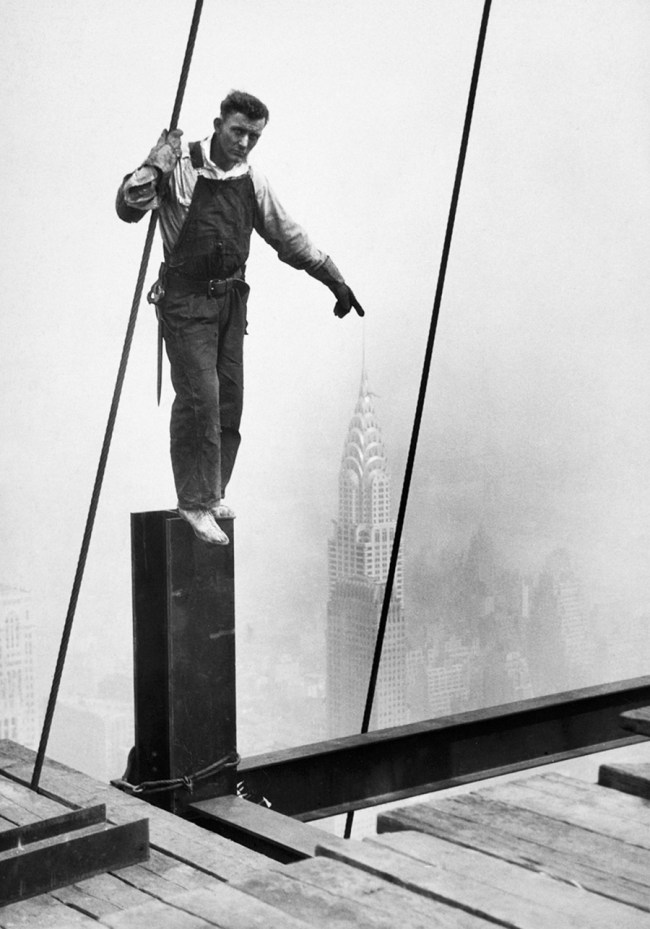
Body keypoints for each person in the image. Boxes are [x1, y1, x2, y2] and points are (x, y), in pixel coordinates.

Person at [116, 90, 364, 545]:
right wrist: (154, 166)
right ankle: (193, 501)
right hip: (186, 303)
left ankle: (211, 493)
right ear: (217, 125)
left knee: (229, 402)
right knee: (200, 401)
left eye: (254, 135)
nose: (245, 143)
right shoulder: (183, 169)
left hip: (230, 304)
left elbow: (289, 238)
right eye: (238, 132)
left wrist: (335, 280)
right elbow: (128, 210)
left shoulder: (253, 182)